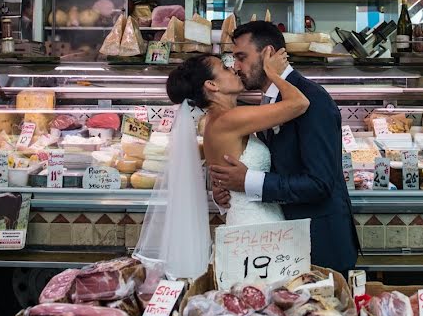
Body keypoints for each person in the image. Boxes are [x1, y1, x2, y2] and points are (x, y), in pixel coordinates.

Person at [133, 44, 307, 278]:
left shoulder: (216, 121)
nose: (234, 68)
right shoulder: (228, 120)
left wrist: (220, 194)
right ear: (211, 85)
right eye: (225, 68)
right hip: (254, 229)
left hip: (251, 224)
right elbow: (299, 103)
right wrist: (273, 72)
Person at [210, 21, 360, 276]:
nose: (236, 66)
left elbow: (320, 183)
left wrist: (248, 182)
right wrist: (228, 191)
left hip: (321, 245)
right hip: (282, 244)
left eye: (242, 57)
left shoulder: (311, 100)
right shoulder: (270, 99)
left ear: (268, 54)